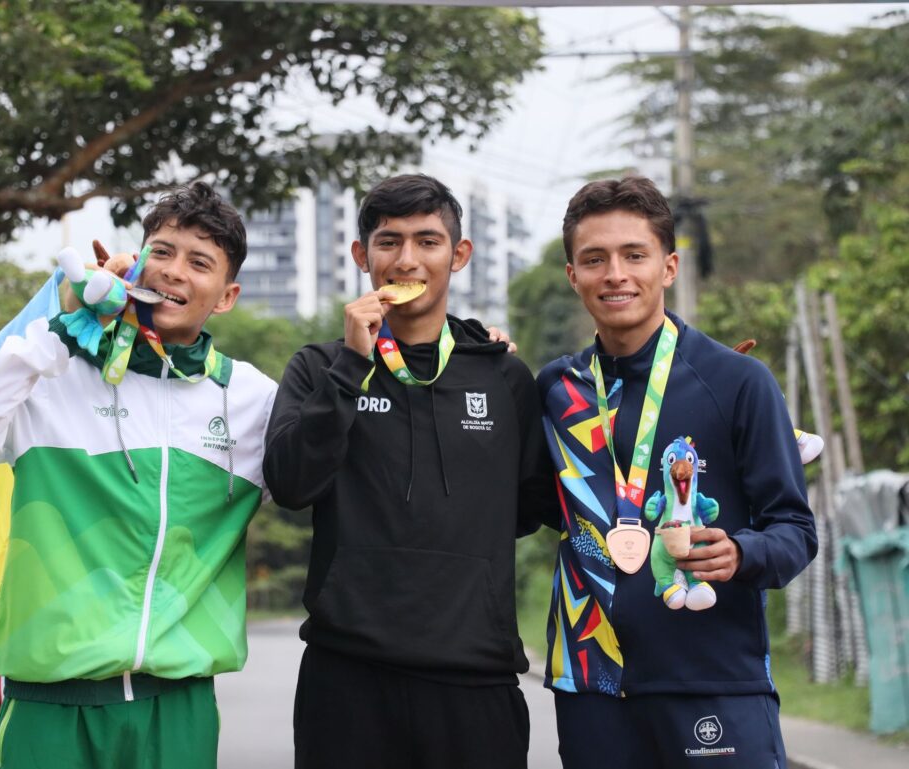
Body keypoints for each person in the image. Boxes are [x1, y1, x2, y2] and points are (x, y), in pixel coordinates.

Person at [0, 182, 277, 769]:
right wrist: (63, 330)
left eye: (199, 262)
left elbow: (336, 474)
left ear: (226, 295)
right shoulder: (56, 371)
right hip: (50, 706)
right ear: (133, 261)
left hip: (178, 710)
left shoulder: (252, 399)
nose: (172, 273)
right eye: (160, 252)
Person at [262, 173, 556, 769]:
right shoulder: (320, 366)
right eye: (388, 242)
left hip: (476, 676)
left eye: (428, 241)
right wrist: (351, 365)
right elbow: (291, 484)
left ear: (460, 254)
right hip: (345, 676)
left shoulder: (503, 377)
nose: (407, 260)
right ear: (361, 255)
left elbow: (525, 508)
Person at [537, 176, 817, 769]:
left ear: (667, 267)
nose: (615, 273)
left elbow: (795, 528)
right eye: (595, 259)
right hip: (590, 688)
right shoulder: (556, 392)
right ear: (573, 275)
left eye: (633, 255)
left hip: (713, 682)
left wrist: (742, 553)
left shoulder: (740, 383)